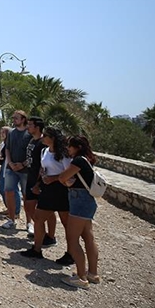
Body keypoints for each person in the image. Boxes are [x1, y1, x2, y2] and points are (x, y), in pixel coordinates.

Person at [21, 126, 74, 266]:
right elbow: (43, 169)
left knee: (67, 223)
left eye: (46, 136)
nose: (43, 137)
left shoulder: (63, 154)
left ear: (53, 138)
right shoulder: (45, 151)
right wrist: (39, 183)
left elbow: (69, 173)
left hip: (61, 189)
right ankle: (37, 249)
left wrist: (54, 178)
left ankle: (71, 253)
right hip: (47, 189)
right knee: (38, 218)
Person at [57, 135, 101, 289]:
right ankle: (92, 273)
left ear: (77, 147)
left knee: (72, 239)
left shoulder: (78, 161)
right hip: (87, 201)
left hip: (79, 202)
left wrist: (64, 181)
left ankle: (81, 277)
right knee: (88, 237)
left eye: (70, 146)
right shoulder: (87, 160)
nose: (68, 149)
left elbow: (63, 177)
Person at [2, 111, 32, 230]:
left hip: (25, 169)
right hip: (11, 168)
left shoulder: (29, 134)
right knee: (9, 192)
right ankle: (11, 219)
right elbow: (7, 149)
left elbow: (32, 152)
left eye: (16, 118)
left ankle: (29, 222)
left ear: (23, 119)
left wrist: (23, 164)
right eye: (13, 117)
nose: (14, 120)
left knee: (27, 196)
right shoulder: (11, 133)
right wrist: (10, 163)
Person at [22, 117, 50, 239]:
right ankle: (41, 233)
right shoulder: (32, 140)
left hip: (38, 180)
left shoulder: (42, 143)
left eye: (30, 125)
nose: (28, 127)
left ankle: (48, 236)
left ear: (37, 127)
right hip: (30, 176)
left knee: (46, 210)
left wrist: (38, 183)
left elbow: (43, 165)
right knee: (28, 206)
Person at [0, 126, 21, 217]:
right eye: (1, 132)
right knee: (2, 189)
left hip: (10, 168)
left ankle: (16, 211)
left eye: (3, 132)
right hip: (4, 167)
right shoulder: (3, 144)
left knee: (13, 190)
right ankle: (9, 208)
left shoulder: (13, 143)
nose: (1, 134)